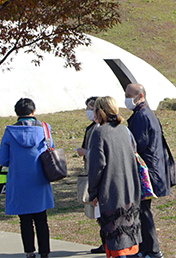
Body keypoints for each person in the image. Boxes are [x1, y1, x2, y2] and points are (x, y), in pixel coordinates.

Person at [0, 97, 55, 258]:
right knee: (41, 219)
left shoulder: (9, 131)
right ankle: (45, 252)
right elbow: (51, 149)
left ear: (17, 113)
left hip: (18, 181)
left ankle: (29, 252)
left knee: (25, 220)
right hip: (40, 180)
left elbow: (3, 160)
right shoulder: (44, 128)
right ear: (34, 111)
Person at [88, 96, 142, 257]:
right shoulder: (124, 130)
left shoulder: (99, 133)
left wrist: (93, 191)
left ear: (99, 111)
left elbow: (96, 166)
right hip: (130, 187)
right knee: (128, 235)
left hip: (111, 189)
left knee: (116, 238)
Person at [125, 83, 169, 258]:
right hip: (151, 168)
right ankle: (145, 248)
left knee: (143, 210)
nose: (127, 98)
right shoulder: (145, 114)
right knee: (141, 210)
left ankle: (151, 249)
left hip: (146, 171)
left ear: (140, 96)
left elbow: (138, 143)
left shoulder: (142, 116)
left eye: (130, 95)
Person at [75, 96, 103, 254]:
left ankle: (107, 243)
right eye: (87, 107)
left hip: (97, 174)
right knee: (97, 211)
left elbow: (101, 154)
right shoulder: (92, 127)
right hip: (91, 172)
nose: (88, 111)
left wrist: (85, 152)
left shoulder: (100, 128)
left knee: (101, 210)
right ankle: (105, 242)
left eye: (91, 108)